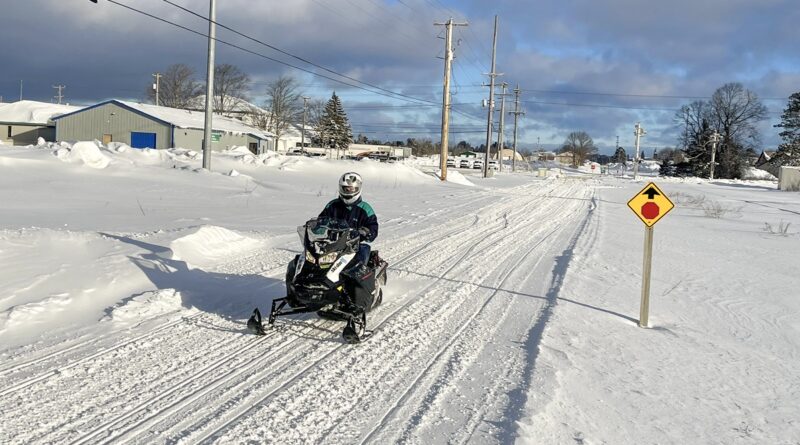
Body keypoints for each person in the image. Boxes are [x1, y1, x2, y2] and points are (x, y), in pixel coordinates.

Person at [318, 172, 378, 273]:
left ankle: (362, 285)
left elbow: (373, 227)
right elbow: (321, 220)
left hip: (354, 246)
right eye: (346, 188)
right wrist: (316, 227)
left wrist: (366, 232)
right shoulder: (332, 205)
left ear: (358, 188)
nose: (348, 191)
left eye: (352, 189)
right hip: (332, 244)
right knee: (314, 263)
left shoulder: (365, 208)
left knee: (359, 264)